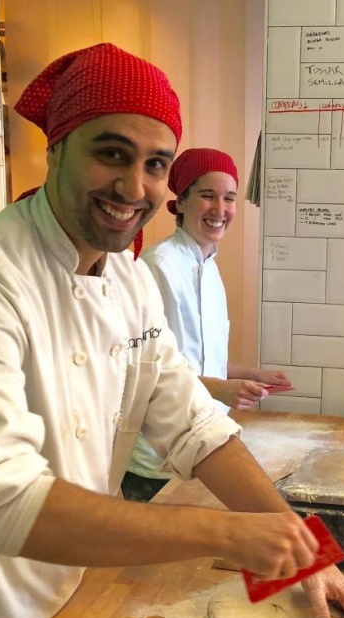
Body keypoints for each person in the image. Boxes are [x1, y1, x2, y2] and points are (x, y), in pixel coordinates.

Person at [0, 42, 344, 618]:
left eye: (155, 164)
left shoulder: (129, 280)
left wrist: (302, 549)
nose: (134, 186)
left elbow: (193, 423)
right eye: (111, 153)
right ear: (56, 148)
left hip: (70, 611)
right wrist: (233, 534)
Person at [124, 147, 292, 502]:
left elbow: (198, 357)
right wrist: (219, 389)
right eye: (207, 196)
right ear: (181, 201)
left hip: (204, 441)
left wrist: (250, 374)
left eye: (229, 198)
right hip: (156, 457)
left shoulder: (210, 266)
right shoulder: (157, 266)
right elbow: (139, 369)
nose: (220, 210)